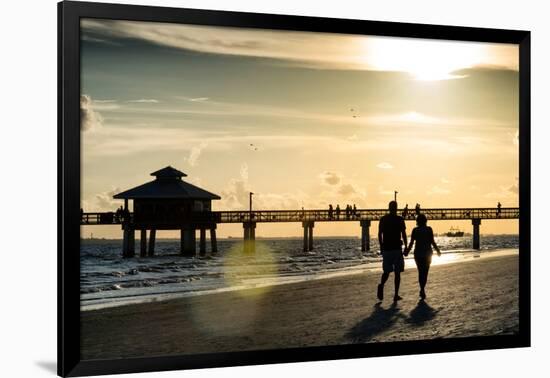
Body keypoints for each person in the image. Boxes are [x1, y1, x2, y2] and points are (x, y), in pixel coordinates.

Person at [404, 214, 441, 300]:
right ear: (425, 221)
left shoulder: (415, 230)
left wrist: (407, 252)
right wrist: (438, 250)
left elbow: (411, 243)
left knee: (420, 272)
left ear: (417, 221)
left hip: (418, 255)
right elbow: (432, 242)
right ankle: (422, 289)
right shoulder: (429, 229)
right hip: (428, 254)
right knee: (425, 273)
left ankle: (422, 289)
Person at [377, 201, 407, 302]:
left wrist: (381, 246)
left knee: (387, 271)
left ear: (389, 208)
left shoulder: (383, 219)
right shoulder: (400, 219)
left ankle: (381, 285)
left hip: (387, 249)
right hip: (397, 249)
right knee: (397, 273)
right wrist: (406, 246)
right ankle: (396, 295)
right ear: (396, 208)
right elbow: (403, 234)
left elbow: (380, 234)